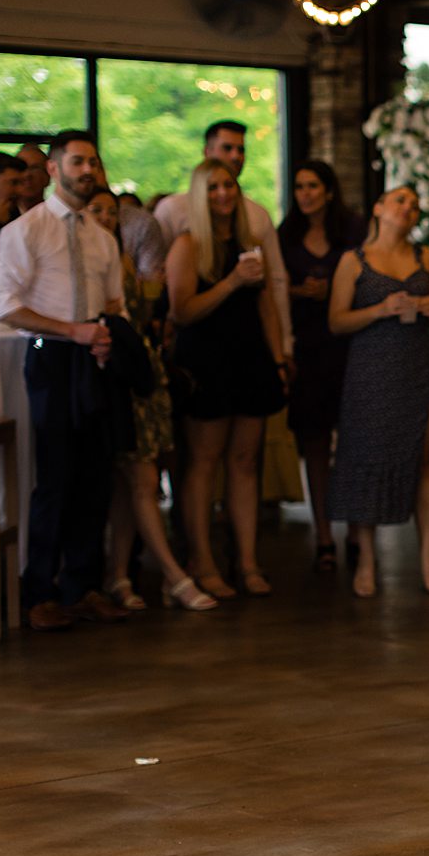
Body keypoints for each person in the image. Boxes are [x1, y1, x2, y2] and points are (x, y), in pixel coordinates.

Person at [0, 131, 130, 632]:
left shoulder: (103, 237)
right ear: (53, 169)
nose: (87, 170)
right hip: (49, 358)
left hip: (93, 362)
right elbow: (4, 304)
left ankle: (83, 588)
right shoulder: (26, 231)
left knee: (95, 477)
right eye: (77, 162)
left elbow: (115, 304)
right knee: (54, 478)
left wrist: (108, 334)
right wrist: (71, 329)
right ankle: (38, 592)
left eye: (93, 162)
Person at [87, 187, 215, 613]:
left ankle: (118, 575)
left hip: (140, 376)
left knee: (134, 485)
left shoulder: (123, 258)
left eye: (112, 211)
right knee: (141, 482)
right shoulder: (89, 261)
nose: (106, 217)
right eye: (97, 210)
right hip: (111, 379)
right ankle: (174, 575)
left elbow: (144, 319)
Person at [165, 160, 287, 601]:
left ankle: (248, 560)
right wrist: (232, 281)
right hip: (206, 362)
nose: (222, 194)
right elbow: (182, 312)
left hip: (250, 358)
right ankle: (203, 560)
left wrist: (278, 359)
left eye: (229, 186)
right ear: (200, 194)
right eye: (213, 187)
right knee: (203, 462)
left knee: (245, 462)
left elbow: (267, 306)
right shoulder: (187, 246)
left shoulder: (249, 242)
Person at [327, 187, 429, 598]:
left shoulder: (424, 257)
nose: (409, 208)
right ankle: (366, 561)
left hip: (416, 370)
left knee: (425, 461)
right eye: (400, 201)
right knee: (366, 460)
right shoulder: (353, 261)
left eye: (415, 204)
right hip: (370, 371)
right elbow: (336, 321)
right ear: (378, 208)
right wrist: (380, 309)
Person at [278, 160, 361, 573]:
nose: (305, 194)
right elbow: (272, 289)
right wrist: (299, 290)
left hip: (350, 347)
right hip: (309, 346)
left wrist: (337, 288)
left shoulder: (353, 231)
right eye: (299, 186)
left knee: (353, 442)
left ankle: (357, 531)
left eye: (313, 186)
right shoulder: (286, 235)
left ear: (329, 191)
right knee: (313, 443)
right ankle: (324, 534)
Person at [154, 120, 293, 363]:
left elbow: (273, 290)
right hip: (202, 352)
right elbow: (173, 300)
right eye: (227, 148)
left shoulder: (255, 222)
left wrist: (282, 351)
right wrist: (234, 280)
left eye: (241, 150)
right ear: (207, 152)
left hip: (249, 348)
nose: (236, 156)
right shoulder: (175, 218)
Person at [14, 143, 49, 214]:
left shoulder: (58, 217)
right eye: (22, 168)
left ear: (47, 176)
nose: (27, 175)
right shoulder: (1, 219)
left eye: (35, 168)